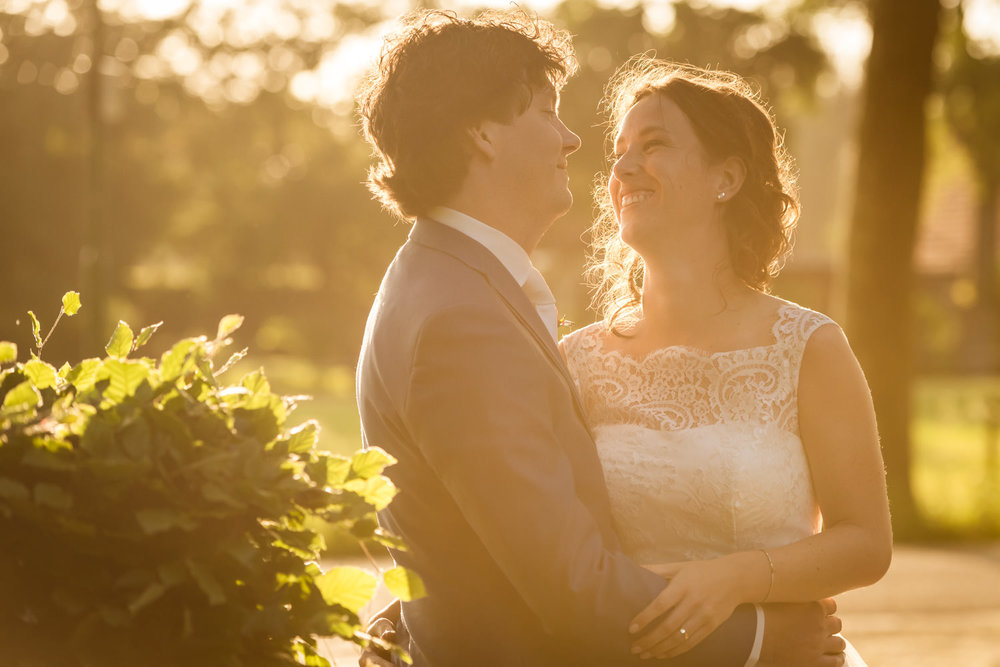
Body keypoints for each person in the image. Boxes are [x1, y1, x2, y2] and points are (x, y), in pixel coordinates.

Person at [354, 9, 845, 666]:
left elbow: (479, 535)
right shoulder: (460, 318)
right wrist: (764, 639)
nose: (571, 141)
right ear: (483, 133)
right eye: (547, 112)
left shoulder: (453, 285)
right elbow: (571, 586)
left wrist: (413, 611)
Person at [558, 58, 893, 664]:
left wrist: (735, 578)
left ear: (727, 178)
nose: (624, 167)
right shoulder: (576, 360)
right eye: (619, 150)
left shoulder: (807, 346)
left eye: (653, 145)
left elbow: (866, 544)